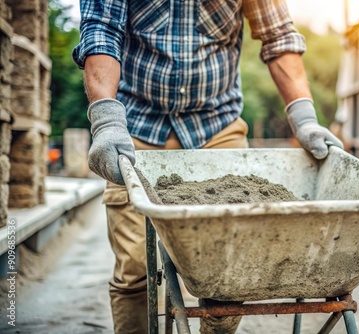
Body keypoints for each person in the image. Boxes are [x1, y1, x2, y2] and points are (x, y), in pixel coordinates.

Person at [73, 0, 343, 333]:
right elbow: (101, 29)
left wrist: (304, 119)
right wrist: (106, 120)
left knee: (229, 272)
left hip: (216, 129)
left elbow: (278, 37)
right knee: (135, 269)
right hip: (136, 128)